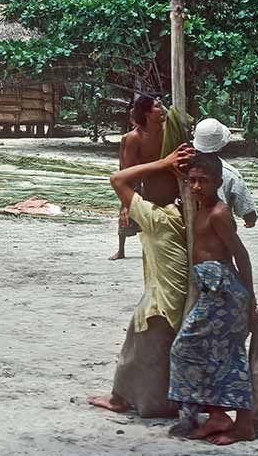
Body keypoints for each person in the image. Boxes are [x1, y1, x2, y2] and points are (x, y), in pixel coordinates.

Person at [88, 139, 195, 418]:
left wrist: (163, 163)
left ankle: (119, 398)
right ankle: (133, 397)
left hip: (162, 302)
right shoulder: (181, 213)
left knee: (136, 351)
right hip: (176, 298)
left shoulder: (157, 218)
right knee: (152, 354)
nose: (146, 189)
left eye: (153, 184)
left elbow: (118, 179)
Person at [169, 152, 256, 445]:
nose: (196, 187)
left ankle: (239, 423)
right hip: (213, 290)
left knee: (189, 347)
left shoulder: (219, 213)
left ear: (218, 182)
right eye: (192, 181)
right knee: (220, 354)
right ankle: (219, 414)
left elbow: (241, 255)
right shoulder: (198, 207)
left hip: (225, 293)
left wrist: (250, 301)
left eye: (202, 181)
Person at [111, 95, 165, 260]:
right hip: (139, 179)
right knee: (127, 219)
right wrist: (127, 203)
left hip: (160, 180)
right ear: (147, 114)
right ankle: (121, 250)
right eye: (157, 106)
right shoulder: (134, 137)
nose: (162, 109)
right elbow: (128, 171)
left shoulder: (167, 131)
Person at [192, 118, 258, 228]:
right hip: (219, 232)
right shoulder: (231, 174)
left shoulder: (181, 167)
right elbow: (248, 212)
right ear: (222, 146)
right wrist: (250, 221)